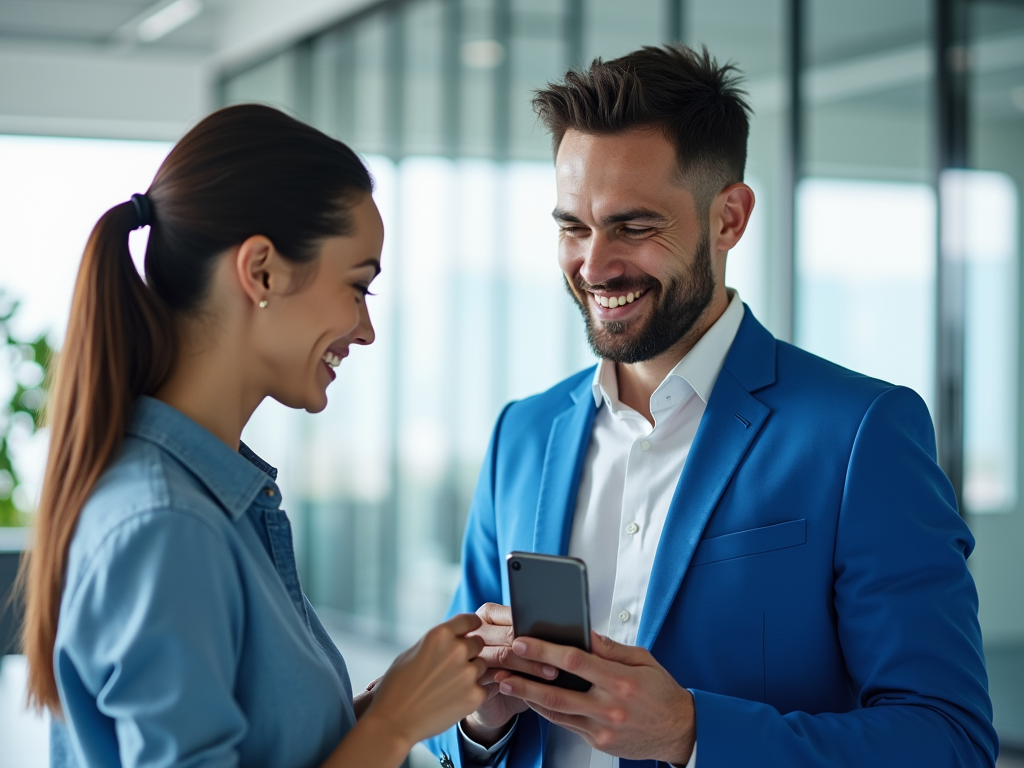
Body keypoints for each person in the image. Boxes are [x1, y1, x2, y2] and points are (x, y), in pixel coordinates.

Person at [428, 45, 998, 767]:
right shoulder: (522, 433)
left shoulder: (859, 434)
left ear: (728, 219)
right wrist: (481, 723)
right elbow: (444, 715)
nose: (595, 266)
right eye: (573, 226)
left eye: (633, 227)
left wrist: (691, 735)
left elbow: (948, 740)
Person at [19, 104, 488, 768]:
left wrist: (378, 716)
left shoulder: (212, 502)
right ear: (261, 270)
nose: (366, 330)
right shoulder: (168, 524)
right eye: (358, 287)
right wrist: (392, 726)